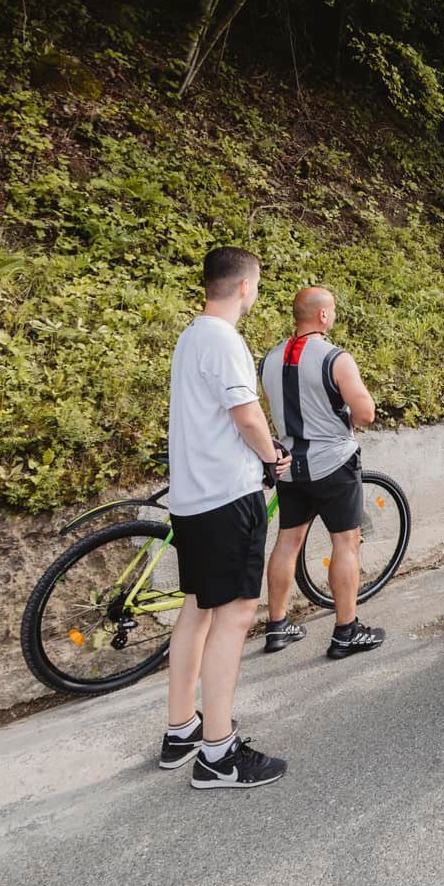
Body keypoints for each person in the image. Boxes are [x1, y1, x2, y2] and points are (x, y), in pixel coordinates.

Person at [161, 247, 290, 789]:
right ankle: (219, 752)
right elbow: (246, 413)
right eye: (256, 285)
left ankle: (181, 729)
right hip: (226, 496)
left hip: (192, 498)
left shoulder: (191, 336)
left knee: (197, 610)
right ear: (244, 286)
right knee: (236, 615)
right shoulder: (225, 339)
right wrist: (272, 456)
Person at [257, 286, 386, 659]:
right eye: (333, 311)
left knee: (287, 542)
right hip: (332, 463)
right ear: (323, 316)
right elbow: (366, 413)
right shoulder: (335, 358)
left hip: (290, 465)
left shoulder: (270, 359)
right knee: (345, 543)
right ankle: (346, 631)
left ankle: (277, 626)